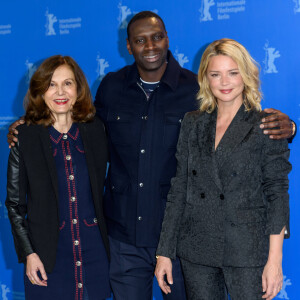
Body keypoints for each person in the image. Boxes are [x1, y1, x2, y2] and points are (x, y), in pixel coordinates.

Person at [7, 11, 295, 300]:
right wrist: (28, 126)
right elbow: (75, 121)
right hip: (123, 239)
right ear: (128, 46)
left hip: (183, 238)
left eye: (157, 37)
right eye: (140, 40)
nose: (150, 46)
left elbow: (239, 133)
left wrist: (290, 127)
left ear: (168, 39)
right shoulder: (112, 86)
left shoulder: (195, 88)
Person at [155, 38, 292, 300]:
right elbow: (179, 188)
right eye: (215, 74)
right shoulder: (193, 123)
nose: (225, 82)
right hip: (197, 249)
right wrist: (164, 252)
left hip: (247, 249)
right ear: (206, 79)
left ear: (246, 75)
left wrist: (275, 261)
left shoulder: (266, 124)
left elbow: (277, 194)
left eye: (233, 73)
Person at [5, 55, 110, 300]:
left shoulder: (96, 130)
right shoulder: (24, 137)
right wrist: (29, 254)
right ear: (40, 92)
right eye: (51, 84)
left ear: (79, 89)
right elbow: (14, 205)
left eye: (68, 83)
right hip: (46, 258)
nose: (60, 92)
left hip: (95, 255)